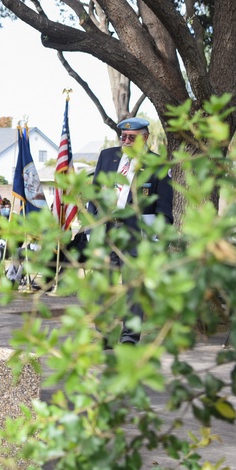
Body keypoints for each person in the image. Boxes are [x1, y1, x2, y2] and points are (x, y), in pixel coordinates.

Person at [85, 117, 173, 345]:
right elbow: (94, 194)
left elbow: (164, 207)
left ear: (144, 138)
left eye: (130, 137)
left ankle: (129, 337)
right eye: (122, 136)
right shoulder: (108, 156)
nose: (124, 140)